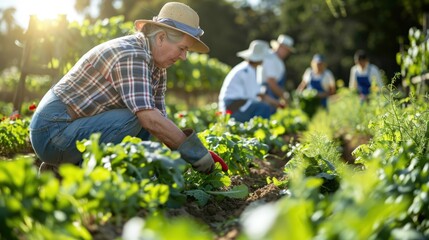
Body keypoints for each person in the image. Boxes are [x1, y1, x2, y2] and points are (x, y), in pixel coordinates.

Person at [29, 2, 226, 175]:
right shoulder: (132, 54)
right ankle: (72, 171)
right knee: (137, 116)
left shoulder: (157, 67)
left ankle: (64, 168)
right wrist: (197, 156)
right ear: (161, 38)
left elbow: (161, 121)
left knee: (146, 117)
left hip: (69, 129)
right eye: (182, 48)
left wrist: (187, 153)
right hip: (52, 132)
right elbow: (150, 119)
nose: (184, 57)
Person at [218, 40, 281, 122]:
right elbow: (256, 95)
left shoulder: (248, 69)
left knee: (263, 107)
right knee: (264, 108)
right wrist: (275, 103)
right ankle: (260, 132)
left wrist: (275, 103)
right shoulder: (247, 71)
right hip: (232, 108)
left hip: (234, 106)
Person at [262, 34, 295, 112]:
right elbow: (271, 82)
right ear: (279, 46)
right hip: (266, 97)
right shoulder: (271, 59)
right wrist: (284, 96)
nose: (286, 52)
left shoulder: (276, 60)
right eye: (285, 49)